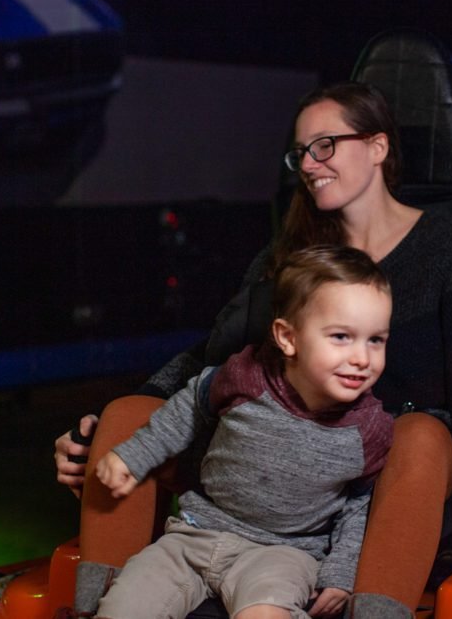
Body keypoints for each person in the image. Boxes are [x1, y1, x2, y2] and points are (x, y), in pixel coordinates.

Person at [57, 81, 452, 618]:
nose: (308, 162)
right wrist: (105, 431)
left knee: (417, 434)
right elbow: (212, 355)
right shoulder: (294, 252)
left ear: (377, 147)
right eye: (301, 151)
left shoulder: (443, 243)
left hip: (377, 467)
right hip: (267, 454)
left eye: (325, 144)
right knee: (127, 415)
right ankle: (99, 609)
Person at [91, 245, 395, 619]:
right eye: (341, 337)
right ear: (288, 338)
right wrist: (135, 455)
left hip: (285, 553)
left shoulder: (369, 428)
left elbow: (359, 502)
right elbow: (188, 408)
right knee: (121, 610)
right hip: (192, 535)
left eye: (376, 340)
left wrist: (340, 573)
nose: (363, 358)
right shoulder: (245, 376)